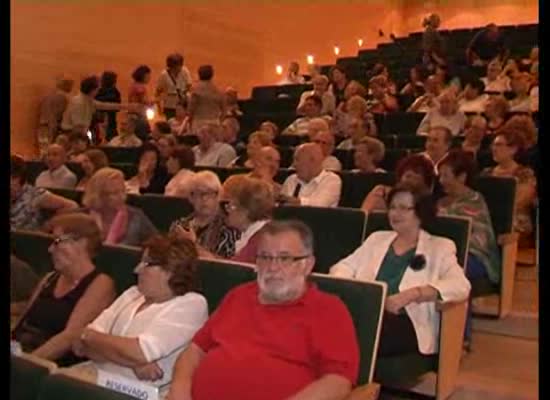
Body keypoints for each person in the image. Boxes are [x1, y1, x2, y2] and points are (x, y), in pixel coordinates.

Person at [167, 220, 359, 400]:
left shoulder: (328, 310)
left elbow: (338, 381)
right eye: (265, 257)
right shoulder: (238, 296)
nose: (273, 267)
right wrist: (180, 389)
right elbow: (195, 350)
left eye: (285, 258)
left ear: (307, 265)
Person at [331, 184, 470, 357]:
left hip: (407, 321)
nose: (395, 214)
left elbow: (461, 285)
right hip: (367, 311)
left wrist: (414, 294)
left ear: (420, 213)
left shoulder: (440, 247)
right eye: (392, 207)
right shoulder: (377, 239)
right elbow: (342, 267)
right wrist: (353, 290)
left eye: (404, 208)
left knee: (362, 328)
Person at [72, 233, 208, 386]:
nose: (137, 270)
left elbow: (139, 351)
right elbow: (80, 345)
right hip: (94, 377)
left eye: (146, 264)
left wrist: (90, 337)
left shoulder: (191, 304)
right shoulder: (132, 293)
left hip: (135, 391)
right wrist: (133, 363)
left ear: (170, 269)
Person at [11, 213, 116, 366]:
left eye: (58, 241)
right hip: (23, 352)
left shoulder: (101, 284)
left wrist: (25, 364)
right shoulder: (49, 278)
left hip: (50, 363)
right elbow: (23, 321)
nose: (50, 249)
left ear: (82, 243)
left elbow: (69, 336)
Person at [438, 150, 501, 285]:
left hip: (475, 257)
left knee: (446, 269)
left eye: (446, 176)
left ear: (461, 177)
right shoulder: (440, 202)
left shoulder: (474, 201)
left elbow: (481, 239)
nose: (441, 180)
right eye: (440, 176)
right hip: (444, 254)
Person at [170, 171, 240, 258]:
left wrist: (193, 245)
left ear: (219, 196)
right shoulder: (180, 226)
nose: (204, 199)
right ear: (191, 198)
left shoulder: (229, 228)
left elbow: (224, 265)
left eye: (210, 193)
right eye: (199, 193)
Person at [482, 128, 536, 238]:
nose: (494, 149)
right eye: (493, 145)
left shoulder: (524, 173)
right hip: (489, 219)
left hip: (515, 221)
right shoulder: (486, 173)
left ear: (513, 149)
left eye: (499, 145)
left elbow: (521, 200)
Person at [81, 168, 158, 246]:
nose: (122, 197)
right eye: (114, 193)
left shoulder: (136, 217)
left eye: (123, 191)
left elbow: (157, 244)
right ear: (99, 195)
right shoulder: (82, 217)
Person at [11, 155, 78, 231]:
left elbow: (72, 206)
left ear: (16, 178)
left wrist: (47, 227)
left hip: (26, 239)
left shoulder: (35, 194)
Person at [220, 175, 274, 263]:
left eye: (231, 205)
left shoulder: (261, 239)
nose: (227, 210)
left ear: (246, 210)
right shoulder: (257, 233)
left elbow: (234, 271)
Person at [61, 76, 139, 135]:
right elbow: (78, 127)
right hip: (71, 134)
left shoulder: (87, 100)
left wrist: (128, 106)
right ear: (92, 90)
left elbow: (105, 105)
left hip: (78, 133)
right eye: (97, 89)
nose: (98, 91)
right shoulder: (79, 102)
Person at [361, 154, 435, 213]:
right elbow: (365, 220)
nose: (408, 174)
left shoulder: (429, 205)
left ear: (425, 181)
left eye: (417, 172)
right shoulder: (381, 193)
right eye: (405, 170)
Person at [280, 143, 342, 207]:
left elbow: (320, 205)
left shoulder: (332, 180)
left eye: (297, 159)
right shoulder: (291, 180)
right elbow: (281, 205)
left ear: (313, 161)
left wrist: (294, 201)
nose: (294, 164)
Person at [36, 76, 74, 157]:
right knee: (53, 152)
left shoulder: (47, 97)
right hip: (53, 126)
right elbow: (60, 115)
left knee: (43, 151)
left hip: (42, 125)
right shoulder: (64, 98)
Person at [189, 65, 225, 133]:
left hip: (199, 122)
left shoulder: (196, 89)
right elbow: (224, 110)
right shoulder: (218, 90)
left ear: (199, 74)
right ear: (212, 75)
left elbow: (191, 109)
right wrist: (219, 122)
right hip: (214, 123)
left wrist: (190, 122)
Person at [155, 53, 192, 119]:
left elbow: (189, 87)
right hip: (169, 106)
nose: (180, 67)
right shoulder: (164, 75)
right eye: (178, 66)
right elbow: (158, 92)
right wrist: (159, 108)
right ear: (171, 66)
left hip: (182, 105)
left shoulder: (185, 71)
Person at [128, 65, 154, 141]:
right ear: (144, 75)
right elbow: (145, 101)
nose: (149, 78)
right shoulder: (141, 87)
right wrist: (156, 100)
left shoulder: (133, 85)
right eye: (148, 75)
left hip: (132, 116)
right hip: (139, 117)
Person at [95, 71, 121, 141]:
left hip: (98, 120)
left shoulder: (98, 91)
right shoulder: (115, 92)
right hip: (111, 122)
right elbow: (118, 108)